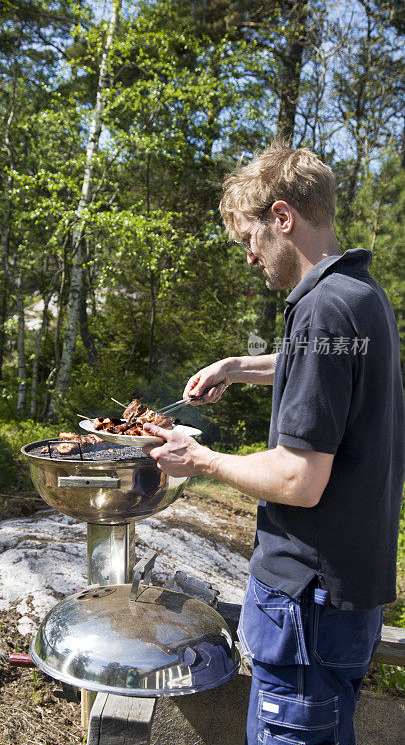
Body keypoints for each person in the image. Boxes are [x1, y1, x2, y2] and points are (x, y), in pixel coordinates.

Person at [142, 142, 404, 745]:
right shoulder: (360, 295)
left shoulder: (322, 309)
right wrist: (235, 367)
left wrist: (199, 459)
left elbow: (298, 480)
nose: (252, 257)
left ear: (282, 218)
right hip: (345, 598)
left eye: (251, 240)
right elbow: (320, 360)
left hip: (306, 603)